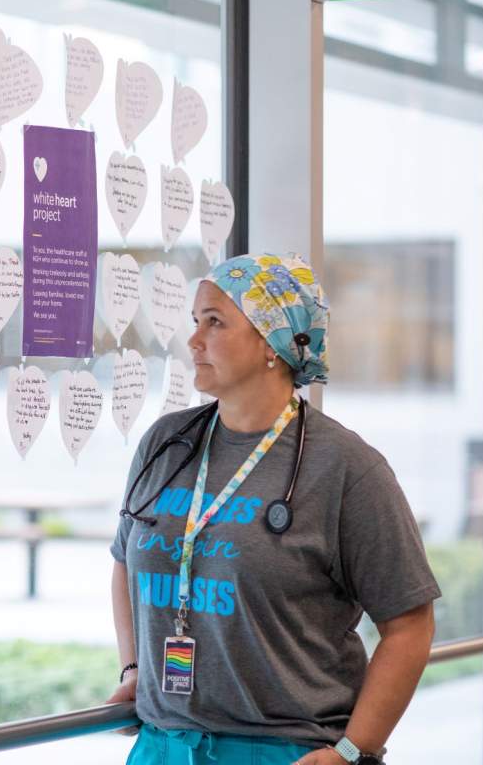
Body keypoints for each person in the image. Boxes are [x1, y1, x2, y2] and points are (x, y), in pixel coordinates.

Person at [105, 253, 440, 765]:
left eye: (214, 323)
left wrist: (352, 750)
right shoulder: (166, 445)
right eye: (195, 322)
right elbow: (126, 560)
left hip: (286, 751)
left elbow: (410, 624)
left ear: (271, 342)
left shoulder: (347, 468)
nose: (193, 341)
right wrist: (134, 670)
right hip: (163, 746)